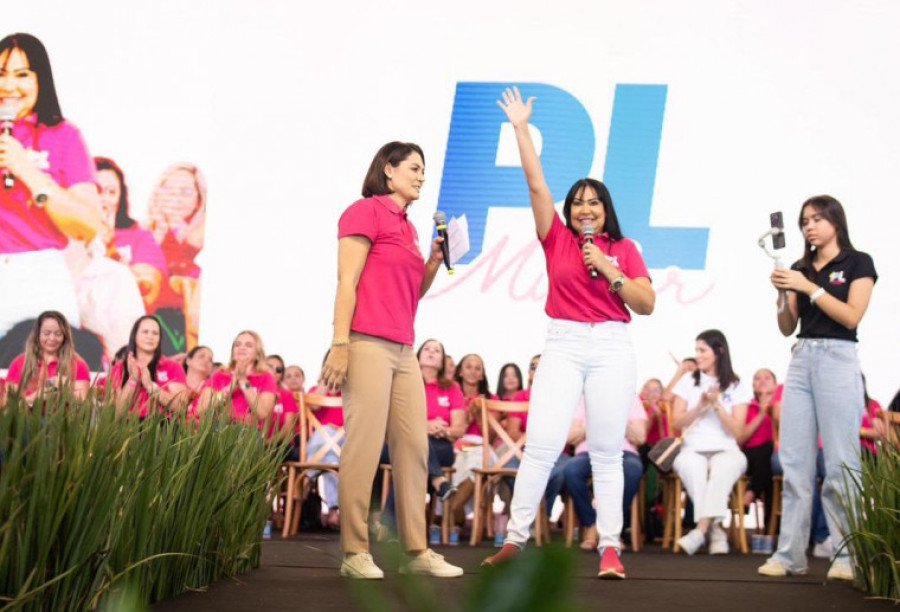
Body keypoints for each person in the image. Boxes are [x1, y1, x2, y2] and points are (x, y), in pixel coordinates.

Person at [483, 88, 655, 580]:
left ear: (606, 209)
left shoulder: (624, 247)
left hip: (611, 346)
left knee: (605, 450)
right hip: (562, 342)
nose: (584, 209)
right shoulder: (556, 238)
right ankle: (514, 541)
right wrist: (520, 128)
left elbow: (645, 303)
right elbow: (538, 187)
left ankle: (609, 548)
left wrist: (608, 267)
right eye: (578, 202)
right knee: (541, 445)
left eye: (593, 203)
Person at [319, 141, 462, 579]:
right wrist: (340, 343)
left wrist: (434, 264)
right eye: (414, 168)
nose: (421, 176)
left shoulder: (411, 228)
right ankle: (354, 552)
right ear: (388, 171)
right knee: (363, 446)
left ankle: (416, 552)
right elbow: (348, 281)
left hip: (404, 349)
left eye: (424, 169)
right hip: (365, 343)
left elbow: (409, 293)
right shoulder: (365, 212)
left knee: (416, 447)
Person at [759, 195, 877, 581]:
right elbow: (785, 326)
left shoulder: (858, 263)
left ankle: (846, 556)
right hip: (802, 358)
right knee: (795, 462)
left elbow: (851, 315)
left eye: (816, 219)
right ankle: (789, 554)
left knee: (843, 461)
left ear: (835, 222)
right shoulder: (800, 267)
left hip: (839, 358)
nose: (809, 226)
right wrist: (782, 293)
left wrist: (808, 287)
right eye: (804, 221)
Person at [0, 34, 104, 343]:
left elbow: (86, 226)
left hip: (38, 276)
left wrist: (28, 172)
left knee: (41, 383)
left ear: (40, 79)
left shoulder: (64, 135)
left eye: (22, 75)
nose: (9, 86)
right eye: (1, 74)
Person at [671, 329, 750, 555]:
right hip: (692, 449)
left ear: (719, 351)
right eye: (696, 350)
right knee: (692, 468)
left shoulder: (736, 384)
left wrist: (717, 405)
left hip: (727, 449)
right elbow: (676, 423)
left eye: (702, 350)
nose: (698, 355)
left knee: (722, 470)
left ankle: (700, 530)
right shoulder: (687, 381)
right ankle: (715, 531)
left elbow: (738, 430)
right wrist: (699, 408)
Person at [564, 396, 647, 550]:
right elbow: (570, 437)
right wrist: (593, 424)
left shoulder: (631, 398)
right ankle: (592, 524)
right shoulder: (584, 399)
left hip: (624, 451)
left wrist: (619, 420)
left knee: (633, 470)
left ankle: (610, 528)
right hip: (588, 451)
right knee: (571, 470)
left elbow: (640, 437)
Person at [145, 163, 206, 353]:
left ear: (198, 199)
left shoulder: (201, 236)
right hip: (150, 321)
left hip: (189, 324)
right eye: (169, 190)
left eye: (185, 192)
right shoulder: (143, 233)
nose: (176, 198)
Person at [94, 157, 168, 310]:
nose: (104, 200)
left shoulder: (140, 237)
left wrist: (109, 250)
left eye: (111, 192)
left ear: (120, 197)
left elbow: (147, 296)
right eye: (97, 191)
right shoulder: (62, 238)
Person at [3, 310, 90, 403]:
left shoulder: (78, 364)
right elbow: (9, 405)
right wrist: (36, 397)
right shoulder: (19, 363)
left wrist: (67, 390)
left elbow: (82, 405)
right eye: (46, 333)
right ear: (37, 335)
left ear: (65, 336)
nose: (52, 338)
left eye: (58, 334)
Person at [109, 315, 186, 418]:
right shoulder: (119, 368)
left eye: (155, 333)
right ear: (134, 335)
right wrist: (133, 380)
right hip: (127, 428)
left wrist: (151, 386)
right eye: (145, 332)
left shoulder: (173, 367)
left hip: (162, 427)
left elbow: (180, 407)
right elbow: (117, 413)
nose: (150, 336)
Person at [196, 330, 276, 424]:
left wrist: (243, 381)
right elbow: (201, 409)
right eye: (237, 345)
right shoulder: (220, 375)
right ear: (233, 352)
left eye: (248, 345)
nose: (241, 348)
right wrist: (230, 387)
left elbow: (262, 413)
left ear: (258, 354)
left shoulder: (266, 378)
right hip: (218, 433)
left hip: (249, 436)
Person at [737, 369, 777, 527]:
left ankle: (750, 494)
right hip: (748, 455)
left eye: (767, 378)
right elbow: (741, 438)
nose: (762, 381)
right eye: (757, 378)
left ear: (775, 385)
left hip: (773, 458)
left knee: (769, 460)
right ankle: (771, 529)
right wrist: (761, 414)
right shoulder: (747, 407)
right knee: (766, 453)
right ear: (752, 385)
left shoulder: (783, 406)